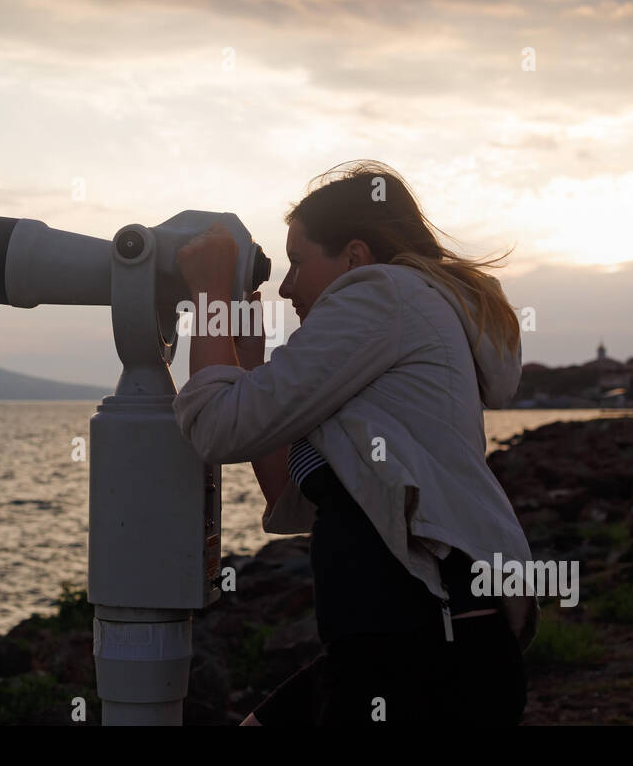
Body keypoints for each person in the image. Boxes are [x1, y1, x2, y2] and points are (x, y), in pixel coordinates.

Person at [172, 159, 538, 726]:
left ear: (355, 258)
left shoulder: (382, 295)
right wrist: (248, 358)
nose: (287, 285)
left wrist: (210, 294)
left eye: (297, 261)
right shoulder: (385, 334)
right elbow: (289, 495)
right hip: (404, 643)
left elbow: (216, 426)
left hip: (429, 655)